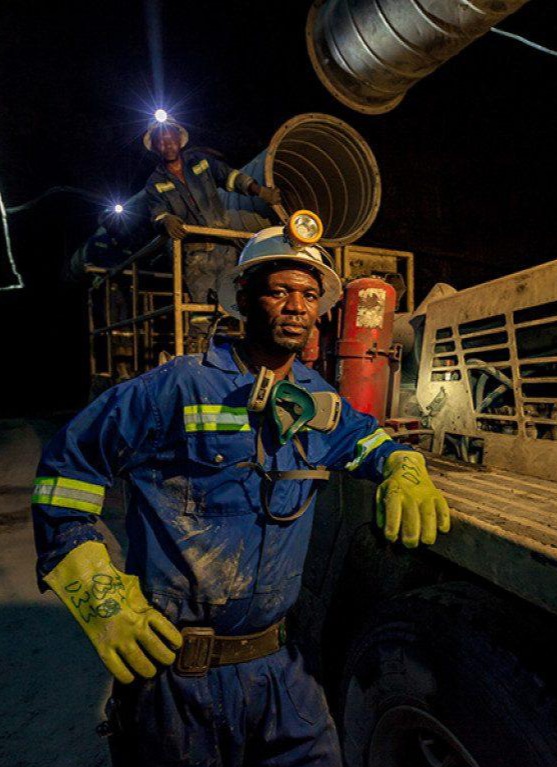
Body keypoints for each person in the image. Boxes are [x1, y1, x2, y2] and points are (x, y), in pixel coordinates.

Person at [31, 217, 451, 767]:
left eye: (309, 295)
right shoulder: (176, 386)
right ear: (244, 298)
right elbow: (66, 472)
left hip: (281, 669)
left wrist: (404, 466)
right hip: (178, 676)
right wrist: (95, 588)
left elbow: (367, 440)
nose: (296, 306)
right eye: (279, 291)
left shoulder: (315, 398)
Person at [144, 116, 281, 305]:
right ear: (154, 146)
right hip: (195, 251)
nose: (167, 145)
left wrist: (260, 191)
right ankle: (201, 325)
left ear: (180, 140)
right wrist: (165, 219)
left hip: (225, 244)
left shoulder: (201, 162)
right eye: (161, 141)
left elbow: (229, 176)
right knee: (202, 308)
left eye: (171, 139)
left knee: (231, 304)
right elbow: (157, 211)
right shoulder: (155, 182)